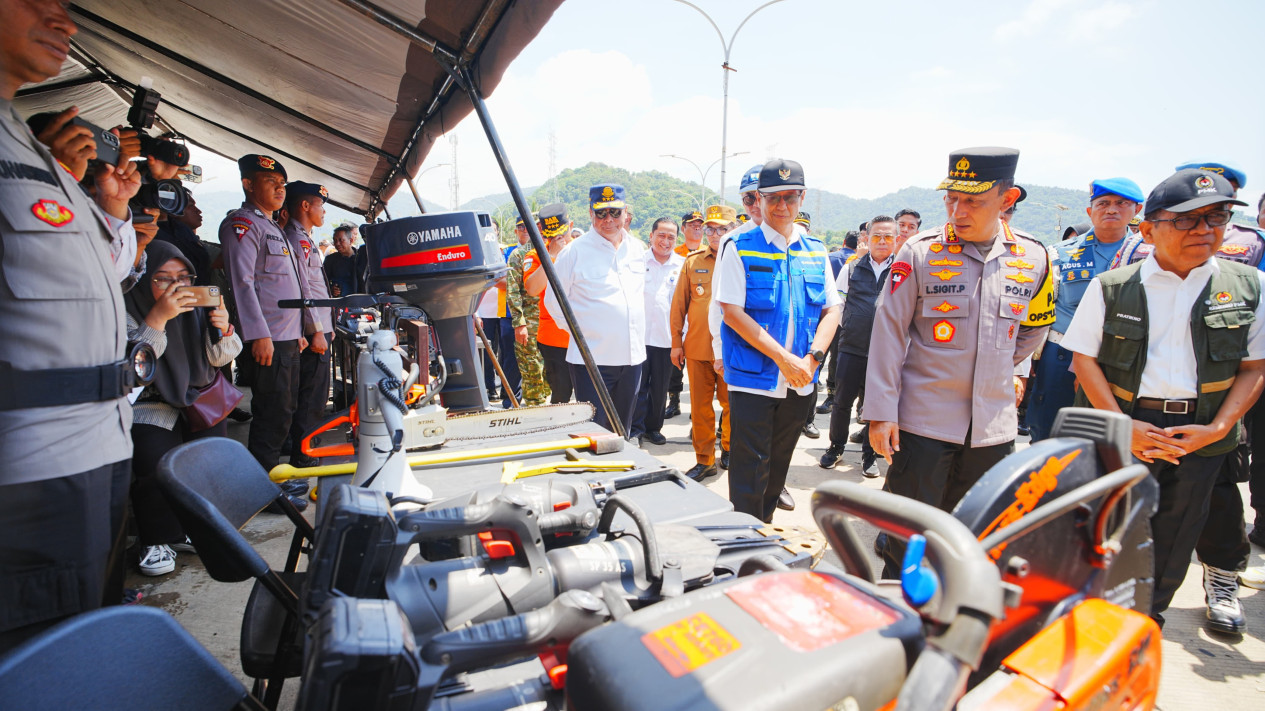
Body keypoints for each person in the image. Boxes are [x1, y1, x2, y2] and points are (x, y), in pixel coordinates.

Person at [0, 0, 146, 651]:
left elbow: (100, 268)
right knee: (45, 664)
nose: (64, 22)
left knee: (90, 648)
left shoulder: (29, 143)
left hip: (98, 448)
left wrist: (109, 204)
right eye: (37, 1)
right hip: (33, 469)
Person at [1062, 168, 1264, 632]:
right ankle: (1088, 628)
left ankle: (1141, 630)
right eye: (1188, 220)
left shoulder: (1249, 286)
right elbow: (1085, 360)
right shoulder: (1113, 286)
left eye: (1216, 219)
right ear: (1149, 230)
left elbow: (1255, 367)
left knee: (1173, 542)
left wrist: (1216, 430)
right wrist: (1120, 426)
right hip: (1126, 429)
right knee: (1104, 533)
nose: (1204, 231)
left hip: (1199, 436)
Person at [866, 147, 1054, 578]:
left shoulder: (1034, 257)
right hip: (922, 423)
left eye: (973, 201)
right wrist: (880, 413)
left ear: (1007, 200)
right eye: (951, 198)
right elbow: (889, 333)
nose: (958, 210)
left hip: (992, 429)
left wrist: (998, 366)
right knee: (906, 539)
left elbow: (1035, 326)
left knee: (973, 541)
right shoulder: (919, 251)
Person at [716, 159, 842, 522]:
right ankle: (743, 538)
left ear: (801, 197)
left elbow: (832, 310)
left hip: (800, 380)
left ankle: (764, 529)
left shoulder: (815, 249)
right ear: (759, 198)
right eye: (773, 198)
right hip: (753, 379)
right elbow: (732, 313)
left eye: (790, 197)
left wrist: (812, 359)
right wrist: (784, 358)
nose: (781, 206)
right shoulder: (738, 244)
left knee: (777, 466)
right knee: (748, 468)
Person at [126, 242, 244, 575]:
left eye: (183, 277)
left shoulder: (199, 309)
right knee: (154, 460)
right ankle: (155, 538)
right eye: (163, 279)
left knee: (210, 457)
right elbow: (136, 366)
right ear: (142, 279)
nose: (176, 286)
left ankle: (192, 528)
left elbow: (220, 359)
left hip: (199, 397)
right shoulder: (126, 307)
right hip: (150, 400)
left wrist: (223, 327)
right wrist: (157, 319)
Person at [218, 155, 312, 500]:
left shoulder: (273, 227)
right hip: (268, 338)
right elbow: (241, 284)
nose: (279, 189)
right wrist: (257, 334)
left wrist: (300, 329)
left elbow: (288, 287)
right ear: (248, 184)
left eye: (282, 184)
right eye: (270, 182)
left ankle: (271, 478)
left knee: (284, 408)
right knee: (271, 412)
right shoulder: (242, 225)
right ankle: (262, 488)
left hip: (287, 338)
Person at [1027, 178, 1143, 442]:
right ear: (1090, 212)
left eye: (1121, 203)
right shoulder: (1060, 254)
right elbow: (1041, 309)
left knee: (1113, 437)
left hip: (1122, 358)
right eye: (1103, 203)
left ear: (1136, 210)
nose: (1111, 209)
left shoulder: (1148, 256)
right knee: (1050, 432)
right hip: (1062, 355)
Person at [709, 163, 798, 511]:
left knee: (781, 442)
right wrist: (719, 350)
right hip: (749, 362)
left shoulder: (799, 240)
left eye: (759, 197)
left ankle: (777, 488)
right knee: (751, 450)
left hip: (792, 368)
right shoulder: (735, 242)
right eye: (748, 199)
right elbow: (721, 308)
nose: (755, 206)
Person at [544, 184, 647, 433]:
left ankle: (620, 471)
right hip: (592, 361)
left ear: (626, 213)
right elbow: (553, 302)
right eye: (601, 213)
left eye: (615, 212)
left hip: (632, 359)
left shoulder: (636, 249)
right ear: (591, 213)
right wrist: (582, 337)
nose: (608, 219)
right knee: (593, 433)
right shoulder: (574, 253)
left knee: (621, 431)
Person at [820, 215, 898, 478]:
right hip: (852, 347)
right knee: (841, 402)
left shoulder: (902, 271)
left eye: (888, 236)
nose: (882, 241)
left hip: (884, 354)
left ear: (896, 239)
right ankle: (836, 447)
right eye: (877, 236)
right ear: (867, 238)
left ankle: (869, 456)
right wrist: (852, 325)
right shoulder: (852, 268)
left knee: (872, 406)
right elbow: (838, 305)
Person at [672, 205, 737, 480]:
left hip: (733, 349)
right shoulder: (693, 261)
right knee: (699, 409)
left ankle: (730, 450)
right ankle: (705, 459)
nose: (715, 234)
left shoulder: (741, 259)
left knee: (732, 405)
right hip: (698, 348)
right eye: (711, 229)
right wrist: (676, 342)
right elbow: (678, 306)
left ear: (733, 230)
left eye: (722, 229)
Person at [282, 182, 333, 468]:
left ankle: (303, 447)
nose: (323, 211)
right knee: (312, 395)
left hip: (320, 327)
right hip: (313, 331)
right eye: (319, 205)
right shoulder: (296, 238)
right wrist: (315, 331)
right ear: (304, 206)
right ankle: (305, 454)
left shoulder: (305, 237)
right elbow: (303, 290)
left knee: (311, 393)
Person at [631, 218, 685, 445]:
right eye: (661, 235)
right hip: (638, 337)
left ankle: (653, 428)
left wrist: (681, 341)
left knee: (659, 388)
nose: (666, 241)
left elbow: (686, 305)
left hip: (667, 338)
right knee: (637, 387)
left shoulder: (683, 266)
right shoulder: (637, 261)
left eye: (671, 237)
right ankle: (635, 429)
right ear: (651, 236)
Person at [524, 204, 575, 403]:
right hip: (554, 337)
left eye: (561, 233)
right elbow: (532, 288)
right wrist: (550, 256)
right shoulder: (536, 255)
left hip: (587, 334)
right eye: (550, 235)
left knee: (591, 391)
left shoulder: (583, 250)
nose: (557, 240)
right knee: (561, 393)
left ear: (570, 225)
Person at [507, 212, 552, 407]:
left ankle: (547, 403)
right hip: (530, 321)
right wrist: (519, 323)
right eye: (530, 226)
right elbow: (513, 291)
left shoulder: (555, 250)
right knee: (531, 368)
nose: (537, 230)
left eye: (540, 226)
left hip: (552, 322)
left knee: (550, 369)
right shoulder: (519, 254)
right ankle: (535, 407)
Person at [666, 210, 706, 419]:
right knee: (675, 367)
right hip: (678, 317)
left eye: (700, 225)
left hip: (698, 323)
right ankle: (674, 401)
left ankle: (696, 413)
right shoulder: (675, 252)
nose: (697, 228)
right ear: (683, 229)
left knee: (698, 374)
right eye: (692, 225)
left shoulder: (708, 253)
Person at [324, 224, 361, 297]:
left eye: (341, 240)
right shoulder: (330, 260)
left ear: (351, 241)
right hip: (340, 303)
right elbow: (323, 281)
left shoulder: (362, 257)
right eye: (335, 240)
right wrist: (331, 289)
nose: (337, 244)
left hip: (361, 302)